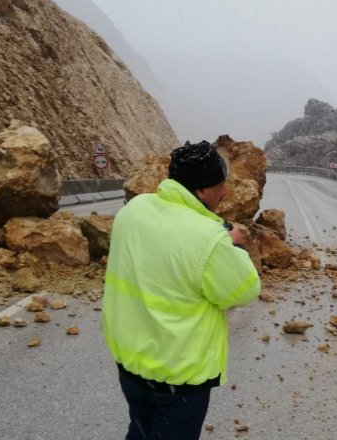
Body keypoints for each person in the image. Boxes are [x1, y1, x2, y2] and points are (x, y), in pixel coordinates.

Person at [101, 140, 261, 440]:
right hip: (178, 377)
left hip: (131, 365)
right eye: (219, 185)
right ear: (201, 191)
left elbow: (169, 241)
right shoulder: (210, 240)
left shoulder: (134, 208)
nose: (224, 191)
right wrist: (234, 245)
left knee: (139, 430)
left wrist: (218, 232)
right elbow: (245, 290)